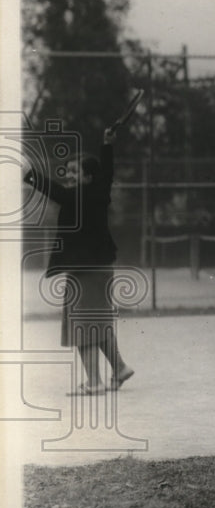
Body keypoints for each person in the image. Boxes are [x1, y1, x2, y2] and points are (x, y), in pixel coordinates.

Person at [24, 127, 133, 395]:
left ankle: (94, 382)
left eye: (74, 172)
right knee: (97, 322)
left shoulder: (79, 196)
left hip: (86, 271)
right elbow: (107, 173)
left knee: (81, 326)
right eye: (68, 172)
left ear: (88, 176)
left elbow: (55, 191)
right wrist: (107, 145)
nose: (69, 176)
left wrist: (28, 173)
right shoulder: (99, 193)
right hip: (99, 270)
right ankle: (119, 368)